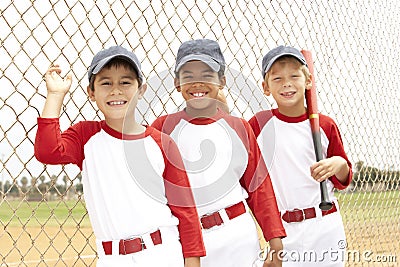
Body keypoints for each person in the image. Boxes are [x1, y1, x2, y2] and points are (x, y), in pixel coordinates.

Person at [34, 45, 206, 267]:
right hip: (112, 258)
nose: (116, 90)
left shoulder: (162, 143)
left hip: (162, 253)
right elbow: (47, 152)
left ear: (141, 90)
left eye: (125, 82)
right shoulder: (86, 136)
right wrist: (55, 96)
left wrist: (192, 262)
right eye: (106, 83)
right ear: (91, 92)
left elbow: (186, 211)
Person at [151, 39, 286, 267]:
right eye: (188, 76)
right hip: (188, 241)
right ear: (176, 83)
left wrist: (275, 242)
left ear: (222, 81)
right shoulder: (164, 127)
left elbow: (259, 188)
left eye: (207, 74)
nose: (197, 83)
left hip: (237, 235)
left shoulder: (238, 127)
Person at [248, 45, 353, 266]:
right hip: (284, 229)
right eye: (277, 78)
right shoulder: (259, 124)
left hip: (325, 225)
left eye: (294, 76)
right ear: (265, 88)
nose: (286, 83)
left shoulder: (324, 125)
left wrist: (338, 163)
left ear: (308, 82)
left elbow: (344, 178)